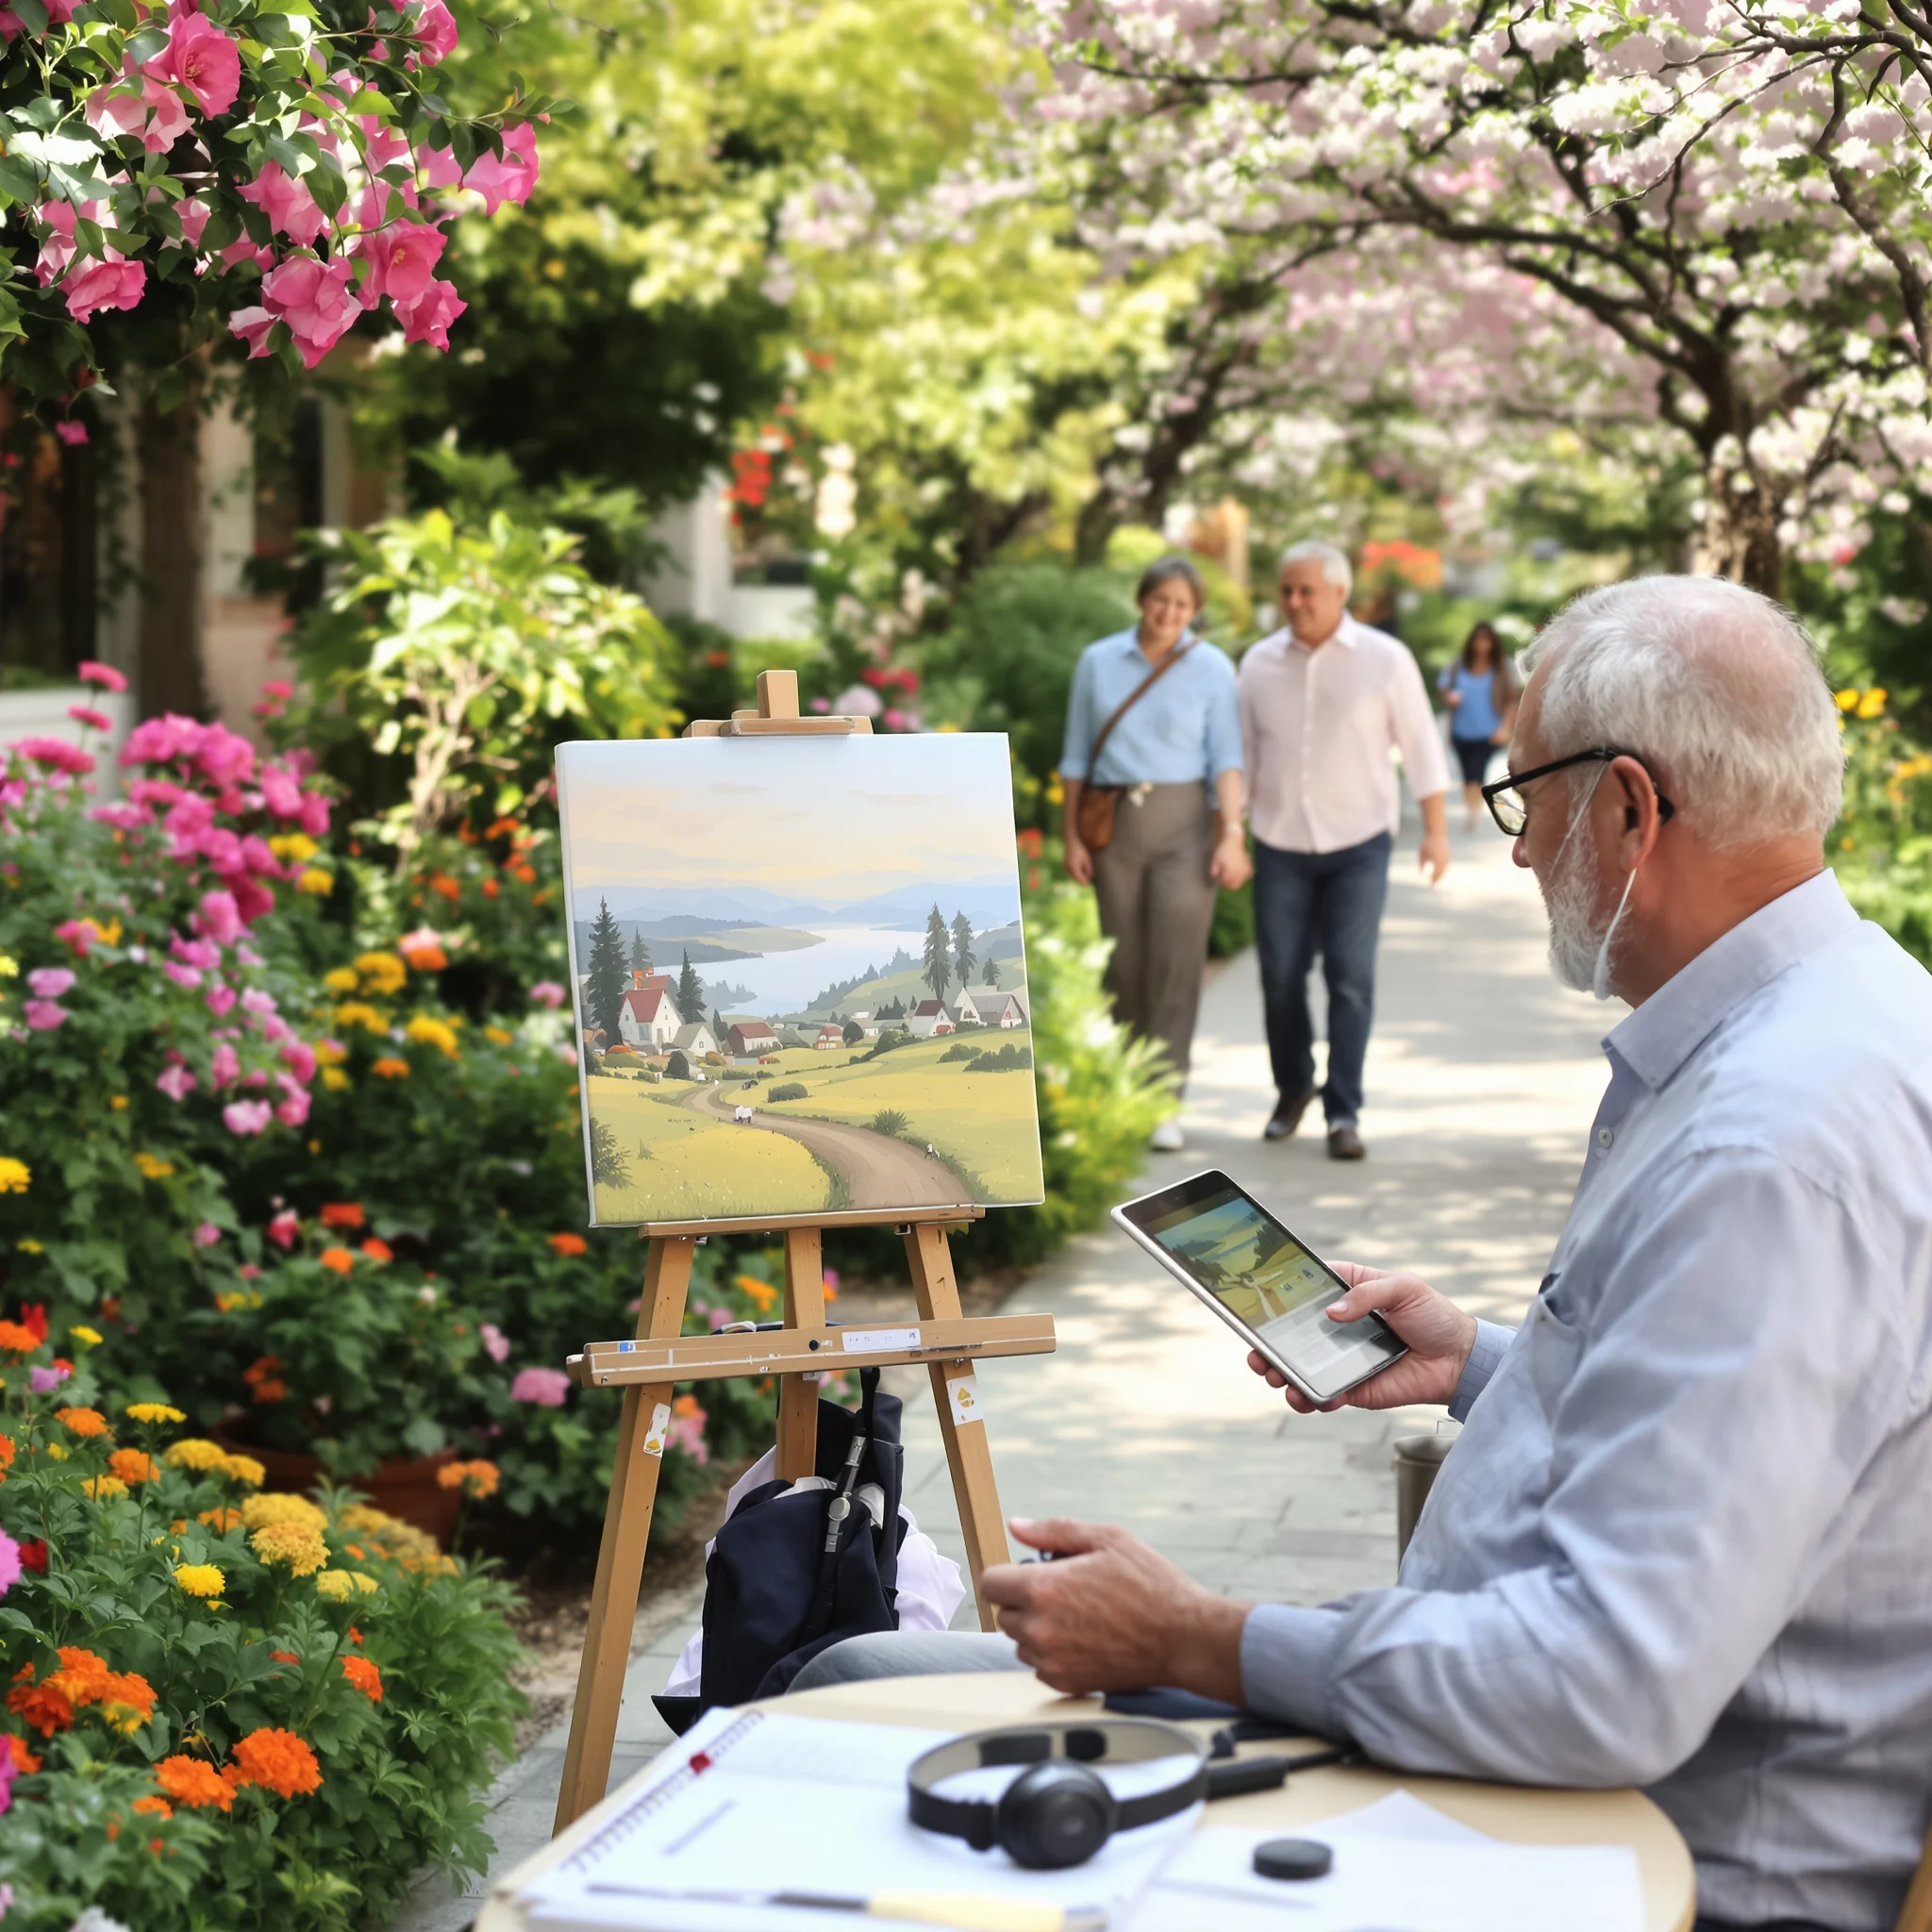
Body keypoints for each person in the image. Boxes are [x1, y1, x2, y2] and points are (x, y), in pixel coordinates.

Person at [788, 576, 1932, 1932]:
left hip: (1620, 1849)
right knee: (864, 1676)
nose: (1516, 854)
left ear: (1631, 808)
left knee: (854, 1709)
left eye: (1527, 801)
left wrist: (1196, 1636)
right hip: (1539, 1769)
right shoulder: (1842, 1016)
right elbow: (1746, 1436)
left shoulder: (1772, 1146)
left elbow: (1604, 1687)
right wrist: (1484, 1366)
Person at [1239, 541, 1450, 1160]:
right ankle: (1294, 1086)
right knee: (1280, 976)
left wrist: (1436, 832)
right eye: (1286, 590)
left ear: (1339, 593)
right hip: (1279, 840)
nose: (1294, 601)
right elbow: (1241, 756)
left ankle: (1344, 1110)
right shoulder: (1256, 664)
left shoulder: (1385, 659)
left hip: (1359, 844)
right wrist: (1228, 831)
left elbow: (1420, 748)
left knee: (1349, 978)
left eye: (1306, 590)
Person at [1060, 556, 1250, 1154]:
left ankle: (1164, 1100)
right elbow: (1074, 757)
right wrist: (1070, 837)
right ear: (1142, 599)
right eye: (1160, 599)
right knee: (1125, 965)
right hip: (1112, 824)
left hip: (1187, 826)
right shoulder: (1098, 661)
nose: (1168, 613)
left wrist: (1231, 833)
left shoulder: (1213, 668)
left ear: (1195, 613)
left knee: (1175, 962)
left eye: (1182, 605)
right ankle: (1127, 1091)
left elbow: (1226, 757)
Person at [1438, 620, 1519, 830]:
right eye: (1478, 640)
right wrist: (1450, 697)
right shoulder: (1458, 664)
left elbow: (1512, 699)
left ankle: (1474, 812)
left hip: (1488, 732)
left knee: (1478, 773)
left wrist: (1505, 728)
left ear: (1493, 643)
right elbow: (1444, 689)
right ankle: (1471, 807)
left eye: (1486, 640)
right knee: (1467, 777)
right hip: (1461, 730)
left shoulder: (1502, 666)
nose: (1482, 645)